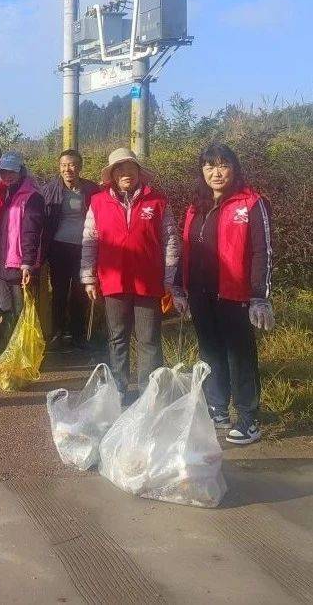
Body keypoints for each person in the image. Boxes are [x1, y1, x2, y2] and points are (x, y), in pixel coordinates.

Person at [173, 144, 273, 445]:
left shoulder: (252, 203)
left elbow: (262, 252)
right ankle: (217, 409)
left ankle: (248, 419)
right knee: (211, 352)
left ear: (234, 168)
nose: (216, 173)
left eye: (223, 165)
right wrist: (179, 287)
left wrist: (260, 296)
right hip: (201, 293)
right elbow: (186, 248)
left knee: (239, 356)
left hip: (235, 294)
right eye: (209, 166)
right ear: (201, 171)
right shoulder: (196, 206)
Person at [81, 147, 181, 398]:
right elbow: (89, 241)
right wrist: (89, 277)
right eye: (120, 169)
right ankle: (120, 390)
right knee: (117, 337)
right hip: (113, 281)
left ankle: (150, 393)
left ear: (139, 172)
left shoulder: (157, 201)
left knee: (149, 340)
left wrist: (169, 278)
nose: (126, 173)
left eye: (131, 168)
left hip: (149, 282)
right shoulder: (98, 202)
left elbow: (171, 240)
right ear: (113, 175)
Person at [41, 149, 101, 350]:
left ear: (80, 167)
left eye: (72, 164)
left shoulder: (92, 190)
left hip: (84, 248)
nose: (68, 169)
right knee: (58, 291)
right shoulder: (50, 189)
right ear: (59, 168)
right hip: (58, 248)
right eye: (64, 165)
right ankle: (57, 333)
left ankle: (77, 333)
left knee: (79, 292)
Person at [0, 152, 45, 329]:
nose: (7, 176)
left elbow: (31, 232)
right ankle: (8, 341)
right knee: (4, 305)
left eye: (12, 172)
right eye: (3, 172)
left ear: (21, 172)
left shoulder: (32, 197)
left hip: (17, 263)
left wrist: (27, 263)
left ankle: (22, 346)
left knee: (21, 307)